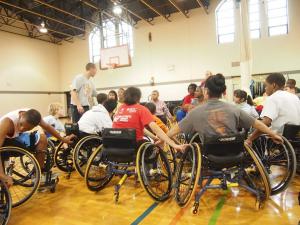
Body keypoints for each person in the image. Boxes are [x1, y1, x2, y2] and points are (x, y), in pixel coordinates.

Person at [165, 74, 282, 149]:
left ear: (206, 91)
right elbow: (257, 123)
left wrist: (162, 139)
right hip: (235, 154)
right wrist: (272, 134)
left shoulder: (196, 112)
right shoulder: (234, 108)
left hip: (210, 155)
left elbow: (173, 132)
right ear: (224, 91)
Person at [0, 109, 75, 186]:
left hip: (14, 137)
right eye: (21, 124)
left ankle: (38, 174)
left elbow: (47, 126)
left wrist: (63, 139)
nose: (22, 128)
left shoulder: (34, 116)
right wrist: (2, 175)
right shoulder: (7, 122)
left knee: (42, 138)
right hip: (4, 139)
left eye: (27, 128)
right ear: (21, 115)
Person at [113, 87, 185, 152]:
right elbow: (156, 129)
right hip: (134, 145)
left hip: (116, 144)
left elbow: (141, 129)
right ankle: (154, 165)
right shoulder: (141, 109)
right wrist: (174, 145)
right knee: (156, 145)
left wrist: (154, 138)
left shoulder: (120, 108)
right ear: (138, 97)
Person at [247, 73, 300, 143]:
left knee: (253, 133)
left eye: (266, 86)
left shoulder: (273, 98)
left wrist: (250, 139)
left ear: (273, 85)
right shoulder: (294, 97)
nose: (265, 89)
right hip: (295, 136)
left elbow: (266, 123)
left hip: (280, 137)